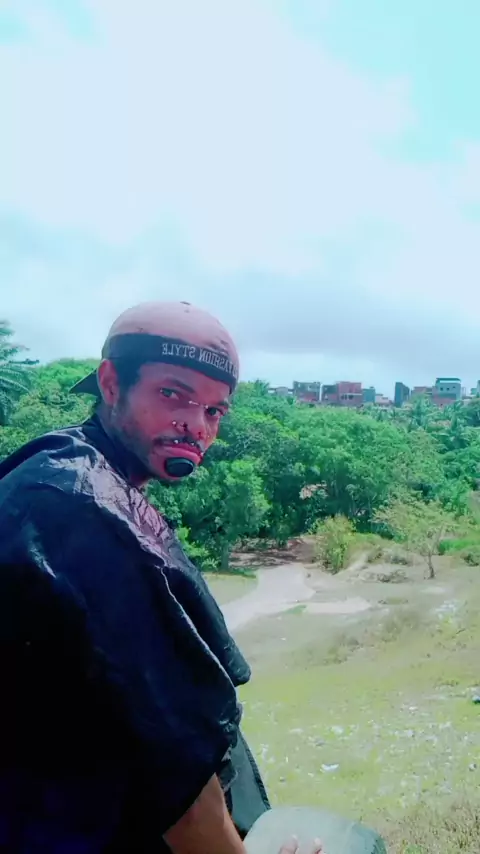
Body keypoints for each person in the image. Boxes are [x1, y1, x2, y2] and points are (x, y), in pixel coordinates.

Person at [0, 302, 323, 854]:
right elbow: (176, 773)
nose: (196, 425)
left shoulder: (64, 472)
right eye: (172, 394)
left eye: (214, 410)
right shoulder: (83, 509)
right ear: (110, 383)